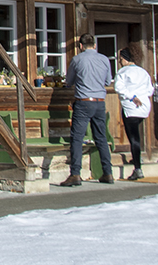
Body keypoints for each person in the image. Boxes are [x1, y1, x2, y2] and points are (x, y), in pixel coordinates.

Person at [59, 33, 114, 186]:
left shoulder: (77, 59)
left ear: (81, 46)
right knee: (101, 138)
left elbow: (69, 81)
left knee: (77, 138)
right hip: (99, 101)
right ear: (94, 45)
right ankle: (107, 172)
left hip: (83, 101)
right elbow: (108, 81)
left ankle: (75, 174)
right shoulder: (104, 59)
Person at [114, 48, 153, 179]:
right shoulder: (144, 72)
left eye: (121, 58)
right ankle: (137, 158)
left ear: (126, 58)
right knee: (136, 134)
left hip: (130, 107)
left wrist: (132, 97)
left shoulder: (122, 72)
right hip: (144, 107)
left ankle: (137, 168)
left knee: (133, 138)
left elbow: (118, 88)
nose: (119, 61)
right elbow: (150, 90)